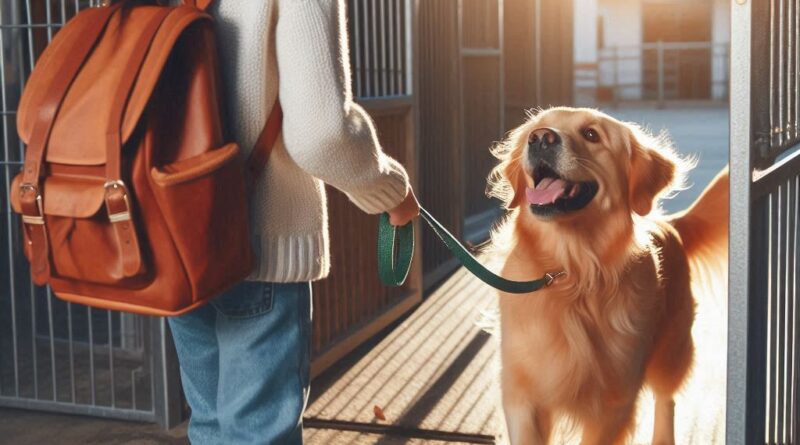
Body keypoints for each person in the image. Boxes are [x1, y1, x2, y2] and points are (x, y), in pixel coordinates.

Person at [166, 0, 420, 443]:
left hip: (173, 233)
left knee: (209, 427)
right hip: (258, 243)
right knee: (255, 432)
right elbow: (321, 135)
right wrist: (390, 192)